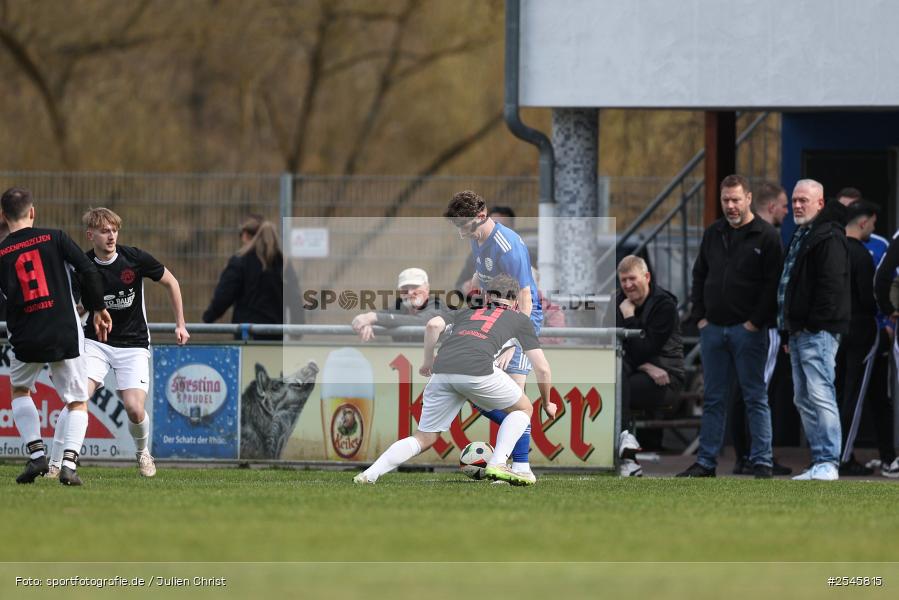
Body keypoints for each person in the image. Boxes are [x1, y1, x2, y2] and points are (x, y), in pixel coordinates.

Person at [353, 274, 555, 486]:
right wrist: (547, 402)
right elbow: (542, 369)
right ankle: (498, 462)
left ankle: (369, 474)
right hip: (478, 369)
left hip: (442, 370)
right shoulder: (520, 319)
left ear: (486, 296)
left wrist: (427, 361)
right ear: (515, 302)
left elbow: (432, 325)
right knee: (523, 409)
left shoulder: (467, 310)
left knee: (424, 437)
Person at [46, 208, 190, 478]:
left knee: (135, 409)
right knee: (78, 397)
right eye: (104, 231)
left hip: (133, 343)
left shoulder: (133, 259)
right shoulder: (83, 266)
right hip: (95, 343)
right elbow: (75, 307)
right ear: (91, 235)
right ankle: (55, 463)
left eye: (114, 230)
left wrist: (180, 323)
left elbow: (171, 282)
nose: (111, 236)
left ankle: (142, 453)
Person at [0, 187, 112, 486]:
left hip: (25, 335)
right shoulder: (55, 237)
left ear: (3, 216)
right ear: (32, 211)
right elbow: (88, 270)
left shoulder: (1, 255)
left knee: (20, 391)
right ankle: (69, 465)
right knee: (77, 401)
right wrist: (99, 307)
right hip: (63, 329)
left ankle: (37, 454)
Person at [679, 174, 782, 478]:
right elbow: (699, 274)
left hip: (748, 331)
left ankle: (762, 460)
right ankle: (706, 462)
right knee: (712, 398)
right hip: (713, 329)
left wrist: (754, 322)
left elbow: (772, 285)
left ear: (749, 198)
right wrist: (700, 315)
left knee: (754, 396)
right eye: (726, 200)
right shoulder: (714, 232)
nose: (731, 205)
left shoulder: (767, 236)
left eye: (736, 199)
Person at [444, 190, 543, 482]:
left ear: (481, 216)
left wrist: (512, 342)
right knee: (481, 396)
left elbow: (524, 296)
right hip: (494, 321)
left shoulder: (508, 246)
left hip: (520, 324)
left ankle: (519, 466)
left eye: (464, 227)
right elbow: (480, 279)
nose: (461, 234)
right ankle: (511, 463)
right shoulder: (478, 240)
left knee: (515, 400)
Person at [778, 179, 850, 481]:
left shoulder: (828, 236)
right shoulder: (803, 233)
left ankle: (829, 461)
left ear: (820, 203)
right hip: (798, 332)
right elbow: (790, 284)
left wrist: (811, 324)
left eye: (803, 200)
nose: (797, 205)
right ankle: (820, 459)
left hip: (816, 332)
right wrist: (788, 330)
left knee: (820, 394)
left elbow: (830, 287)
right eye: (794, 200)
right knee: (803, 398)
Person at [730, 180, 794, 475]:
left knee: (741, 392)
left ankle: (746, 455)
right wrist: (764, 323)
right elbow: (774, 289)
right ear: (771, 207)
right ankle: (757, 456)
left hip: (738, 326)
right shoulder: (769, 239)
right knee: (757, 394)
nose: (787, 211)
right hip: (760, 329)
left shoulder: (735, 235)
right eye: (784, 206)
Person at [614, 256, 684, 477]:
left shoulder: (665, 305)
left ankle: (627, 456)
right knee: (613, 381)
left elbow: (643, 349)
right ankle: (625, 448)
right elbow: (613, 347)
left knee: (615, 387)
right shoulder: (618, 300)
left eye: (632, 278)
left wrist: (629, 317)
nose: (627, 285)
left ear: (647, 277)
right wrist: (646, 365)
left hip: (667, 380)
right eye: (623, 280)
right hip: (636, 372)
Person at [835, 201, 883, 476]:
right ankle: (843, 456)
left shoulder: (833, 250)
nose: (873, 230)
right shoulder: (862, 256)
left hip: (836, 330)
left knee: (837, 392)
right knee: (854, 393)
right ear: (863, 222)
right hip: (861, 329)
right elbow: (868, 298)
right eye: (873, 224)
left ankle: (829, 452)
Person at [203, 219, 299, 340]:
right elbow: (295, 299)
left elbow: (225, 294)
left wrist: (209, 317)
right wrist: (297, 330)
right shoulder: (284, 265)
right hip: (274, 333)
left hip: (247, 333)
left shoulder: (241, 260)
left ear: (248, 236)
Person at [351, 267, 447, 343]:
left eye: (415, 287)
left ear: (427, 288)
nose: (410, 292)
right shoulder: (400, 306)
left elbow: (422, 321)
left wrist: (375, 318)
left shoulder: (436, 305)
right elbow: (380, 315)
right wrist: (367, 322)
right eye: (405, 287)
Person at [454, 206, 516, 295]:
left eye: (503, 227)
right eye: (494, 226)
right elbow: (459, 286)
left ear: (512, 228)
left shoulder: (523, 254)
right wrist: (466, 287)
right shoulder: (476, 255)